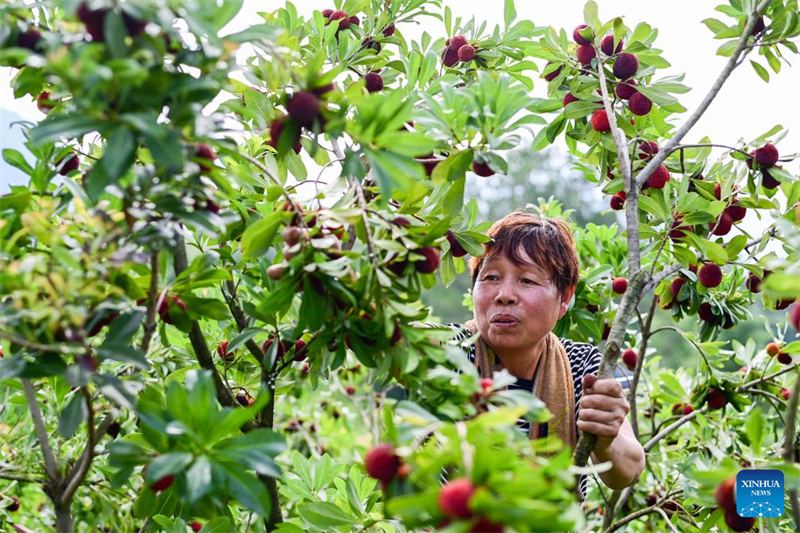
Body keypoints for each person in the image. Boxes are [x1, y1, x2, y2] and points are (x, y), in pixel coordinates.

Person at [425, 210, 645, 501]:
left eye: (527, 280)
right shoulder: (452, 349)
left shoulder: (582, 367)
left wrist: (605, 440)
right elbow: (402, 335)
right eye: (490, 277)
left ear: (565, 298)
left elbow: (629, 467)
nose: (505, 294)